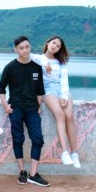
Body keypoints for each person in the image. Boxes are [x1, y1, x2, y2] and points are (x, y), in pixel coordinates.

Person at [0, 36, 50, 187]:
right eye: (21, 48)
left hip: (32, 109)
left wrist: (39, 105)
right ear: (15, 49)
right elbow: (1, 89)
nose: (25, 50)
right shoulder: (10, 67)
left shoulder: (36, 67)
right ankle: (22, 171)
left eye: (27, 47)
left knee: (38, 139)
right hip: (16, 108)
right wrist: (5, 106)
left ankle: (33, 174)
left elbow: (40, 90)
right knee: (18, 139)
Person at [30, 36, 81, 168]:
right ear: (47, 43)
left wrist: (64, 96)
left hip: (61, 89)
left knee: (69, 116)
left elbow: (64, 80)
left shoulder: (61, 62)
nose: (55, 47)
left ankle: (74, 154)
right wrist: (44, 64)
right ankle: (64, 153)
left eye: (58, 46)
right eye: (53, 43)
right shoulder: (39, 58)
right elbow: (27, 55)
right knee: (60, 115)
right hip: (48, 90)